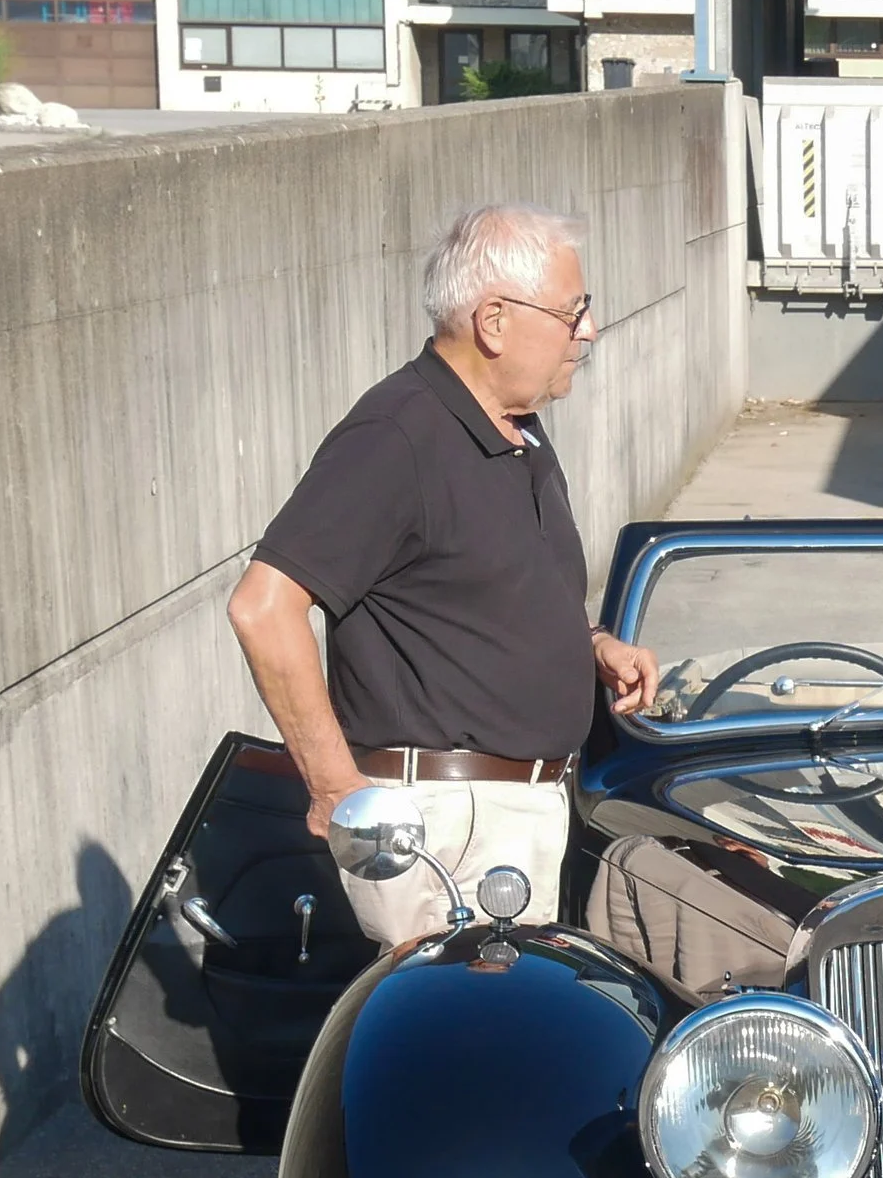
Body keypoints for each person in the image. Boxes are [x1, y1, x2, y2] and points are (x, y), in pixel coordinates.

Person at [225, 203, 660, 946]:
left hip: (518, 815)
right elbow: (263, 608)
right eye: (572, 311)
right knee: (466, 1054)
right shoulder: (397, 435)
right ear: (494, 321)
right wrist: (336, 791)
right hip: (447, 831)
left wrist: (589, 645)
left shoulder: (513, 426)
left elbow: (480, 595)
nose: (587, 331)